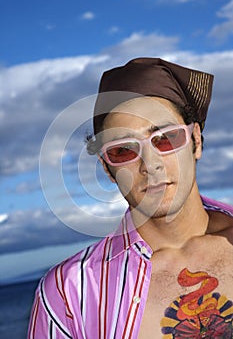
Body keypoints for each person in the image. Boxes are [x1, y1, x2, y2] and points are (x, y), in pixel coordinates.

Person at [28, 57, 233, 339]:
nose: (150, 165)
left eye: (165, 138)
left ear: (195, 140)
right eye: (123, 150)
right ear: (107, 168)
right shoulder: (68, 294)